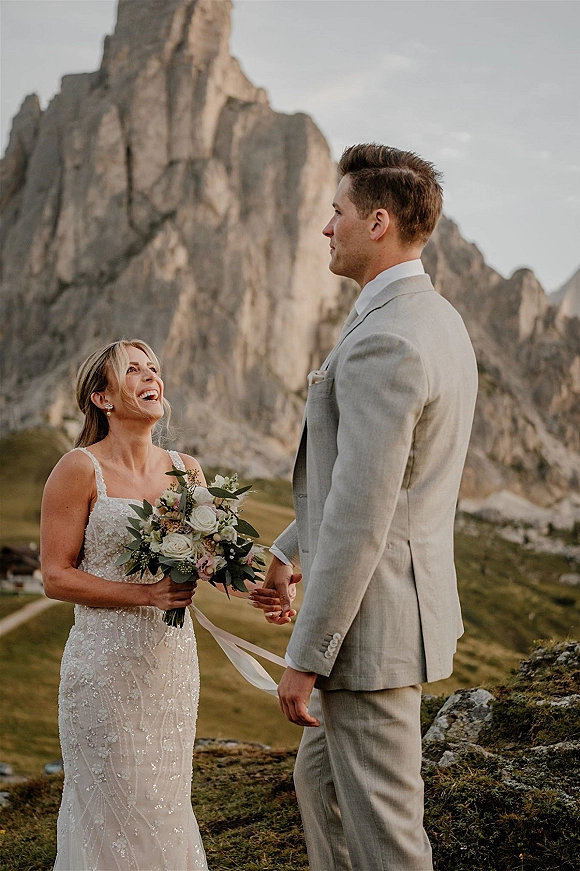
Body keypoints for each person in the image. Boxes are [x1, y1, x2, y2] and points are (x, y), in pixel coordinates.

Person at [251, 144, 478, 870]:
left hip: (370, 634)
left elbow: (362, 513)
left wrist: (305, 657)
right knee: (317, 785)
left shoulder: (388, 337)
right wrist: (287, 549)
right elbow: (367, 478)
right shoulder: (430, 316)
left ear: (377, 221)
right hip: (387, 611)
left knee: (391, 842)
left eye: (337, 212)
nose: (325, 227)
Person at [42, 339, 225, 870]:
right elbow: (56, 576)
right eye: (134, 371)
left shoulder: (187, 470)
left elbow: (210, 561)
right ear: (102, 397)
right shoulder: (78, 469)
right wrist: (145, 595)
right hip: (103, 667)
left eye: (154, 369)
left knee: (165, 801)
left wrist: (265, 586)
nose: (152, 378)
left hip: (170, 667)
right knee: (114, 804)